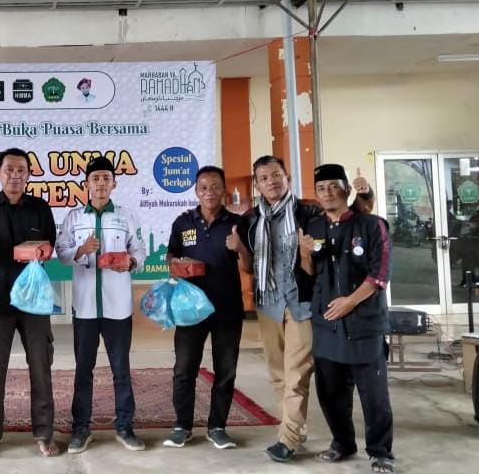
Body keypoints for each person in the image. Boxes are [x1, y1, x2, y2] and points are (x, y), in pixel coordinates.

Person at [242, 155, 373, 463]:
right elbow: (248, 263)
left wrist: (365, 194)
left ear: (287, 178)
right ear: (257, 185)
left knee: (296, 372)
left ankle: (288, 439)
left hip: (302, 303)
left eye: (276, 175)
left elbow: (350, 216)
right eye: (264, 178)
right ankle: (293, 430)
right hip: (268, 303)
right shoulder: (250, 219)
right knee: (278, 374)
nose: (271, 182)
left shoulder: (309, 212)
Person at [0, 147, 59, 459]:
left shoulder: (40, 208)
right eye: (9, 170)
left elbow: (50, 247)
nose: (15, 176)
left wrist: (38, 252)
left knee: (41, 367)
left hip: (33, 303)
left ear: (28, 175)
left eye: (21, 170)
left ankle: (43, 433)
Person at [299, 164, 395, 474]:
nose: (327, 192)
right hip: (326, 323)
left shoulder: (372, 225)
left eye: (333, 186)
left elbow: (379, 275)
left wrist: (350, 302)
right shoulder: (313, 226)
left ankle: (380, 451)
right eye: (321, 188)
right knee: (330, 392)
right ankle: (342, 443)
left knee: (374, 395)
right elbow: (310, 272)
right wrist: (304, 254)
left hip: (364, 323)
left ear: (347, 189)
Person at [55, 156, 147, 453]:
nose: (101, 184)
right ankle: (81, 428)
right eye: (95, 179)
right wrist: (81, 250)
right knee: (84, 369)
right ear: (87, 184)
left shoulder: (126, 216)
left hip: (117, 307)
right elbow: (61, 252)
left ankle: (125, 427)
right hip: (84, 308)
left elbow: (140, 251)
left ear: (114, 183)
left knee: (121, 368)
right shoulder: (74, 218)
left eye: (106, 178)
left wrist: (130, 262)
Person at [163, 166, 251, 451]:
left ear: (223, 189)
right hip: (191, 310)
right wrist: (175, 265)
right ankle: (182, 426)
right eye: (203, 187)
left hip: (227, 309)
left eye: (215, 186)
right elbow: (171, 255)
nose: (209, 192)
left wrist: (240, 247)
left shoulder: (237, 223)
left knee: (225, 371)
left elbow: (249, 267)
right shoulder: (183, 222)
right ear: (196, 191)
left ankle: (217, 427)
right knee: (183, 369)